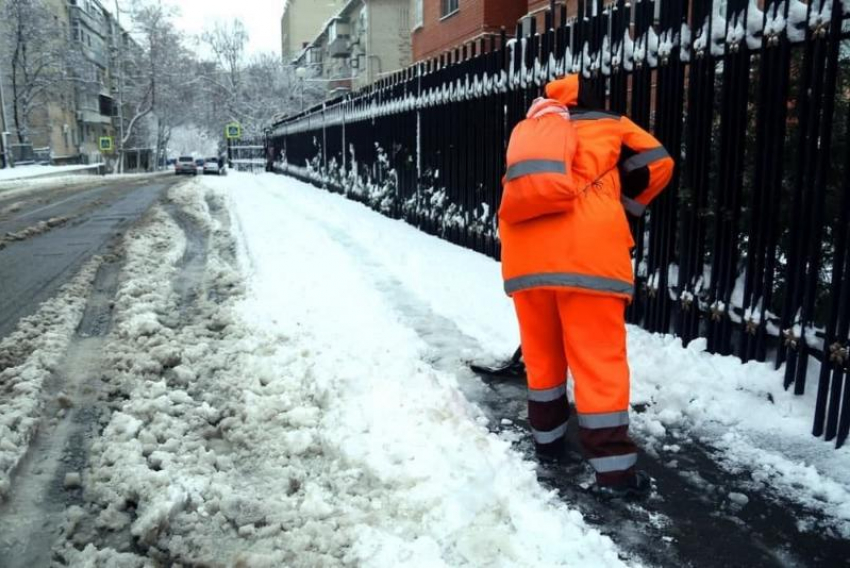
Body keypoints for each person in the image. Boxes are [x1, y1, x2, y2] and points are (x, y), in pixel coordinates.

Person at [498, 74, 674, 499]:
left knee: (542, 355)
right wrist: (626, 205)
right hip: (590, 257)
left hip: (525, 256)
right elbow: (658, 161)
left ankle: (548, 442)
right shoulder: (611, 123)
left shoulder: (532, 128)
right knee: (598, 362)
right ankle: (614, 473)